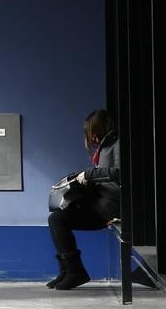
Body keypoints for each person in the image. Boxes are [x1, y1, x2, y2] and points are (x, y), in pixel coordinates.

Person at [47, 109, 120, 290]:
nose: (91, 138)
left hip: (108, 209)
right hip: (100, 202)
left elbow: (120, 173)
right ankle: (68, 270)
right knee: (56, 217)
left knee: (58, 219)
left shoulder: (117, 144)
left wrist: (88, 174)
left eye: (91, 132)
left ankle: (75, 271)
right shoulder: (107, 145)